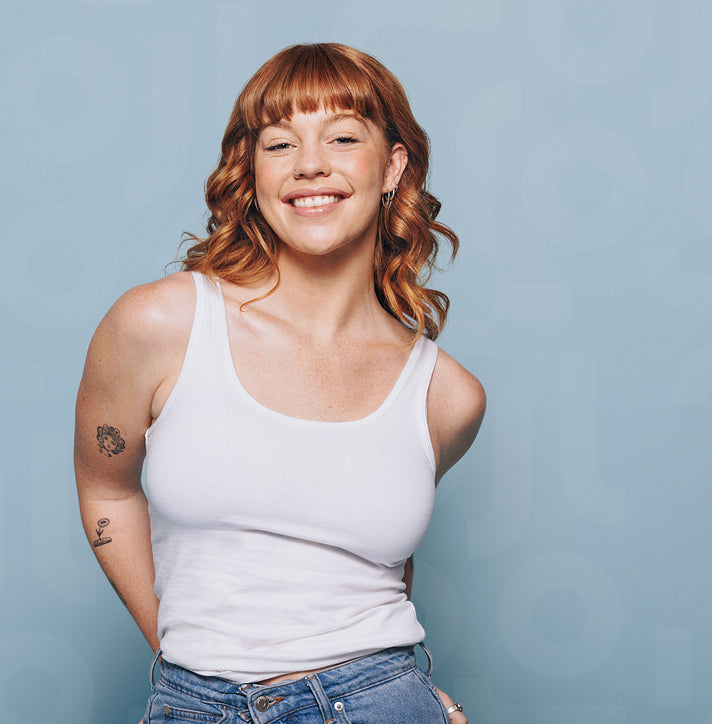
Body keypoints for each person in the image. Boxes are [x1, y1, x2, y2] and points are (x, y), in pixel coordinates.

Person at [74, 43, 484, 723]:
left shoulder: (448, 395)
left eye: (343, 137)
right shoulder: (160, 324)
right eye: (280, 143)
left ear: (393, 167)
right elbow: (106, 488)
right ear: (254, 172)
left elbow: (378, 564)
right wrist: (182, 657)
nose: (309, 164)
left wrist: (412, 695)